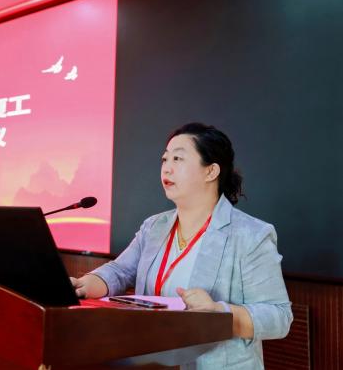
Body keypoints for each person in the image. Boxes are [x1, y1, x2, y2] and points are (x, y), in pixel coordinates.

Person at [71, 122, 292, 369]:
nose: (167, 168)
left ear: (211, 172)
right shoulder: (154, 227)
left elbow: (279, 316)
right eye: (165, 159)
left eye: (178, 159)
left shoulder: (251, 234)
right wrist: (84, 285)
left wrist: (219, 313)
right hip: (148, 361)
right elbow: (119, 271)